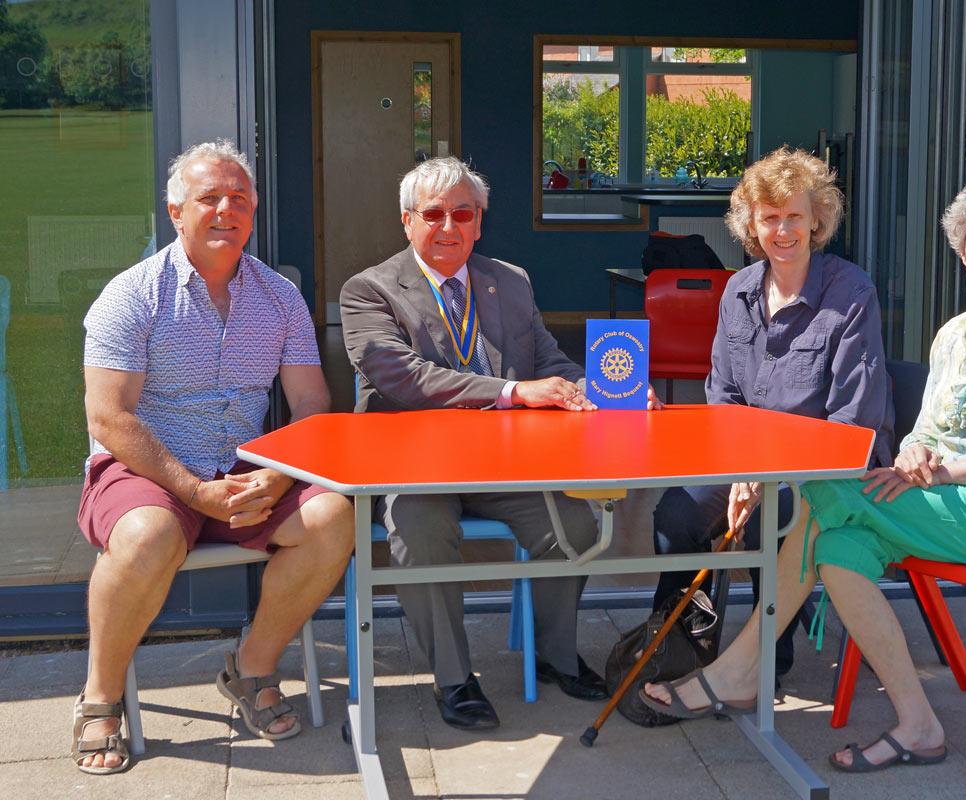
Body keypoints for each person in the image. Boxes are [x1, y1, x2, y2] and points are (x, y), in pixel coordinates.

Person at [641, 174, 966, 774]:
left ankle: (734, 673)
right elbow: (925, 432)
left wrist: (938, 472)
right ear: (962, 253)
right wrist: (913, 455)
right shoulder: (954, 335)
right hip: (950, 503)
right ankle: (919, 724)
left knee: (827, 492)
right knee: (837, 546)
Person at [340, 156, 658, 731]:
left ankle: (553, 653)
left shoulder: (509, 280)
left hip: (507, 467)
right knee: (420, 535)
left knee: (579, 526)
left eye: (462, 213)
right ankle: (455, 678)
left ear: (479, 222)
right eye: (432, 214)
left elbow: (550, 363)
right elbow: (403, 377)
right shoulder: (368, 290)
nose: (448, 226)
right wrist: (513, 390)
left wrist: (611, 389)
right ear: (407, 220)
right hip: (418, 470)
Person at [75, 140, 355, 774]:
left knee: (334, 515)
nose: (226, 210)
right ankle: (100, 696)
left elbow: (312, 405)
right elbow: (109, 417)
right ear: (176, 212)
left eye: (240, 199)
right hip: (149, 469)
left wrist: (280, 475)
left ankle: (250, 667)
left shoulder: (279, 296)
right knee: (147, 535)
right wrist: (190, 489)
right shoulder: (133, 295)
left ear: (253, 212)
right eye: (209, 199)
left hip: (243, 470)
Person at [650, 146, 893, 681]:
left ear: (817, 220)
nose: (782, 231)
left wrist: (767, 476)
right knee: (675, 515)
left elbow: (851, 421)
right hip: (748, 463)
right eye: (769, 219)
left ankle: (765, 655)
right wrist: (743, 471)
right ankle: (675, 641)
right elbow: (723, 397)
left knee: (770, 514)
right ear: (751, 225)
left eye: (794, 217)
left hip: (825, 471)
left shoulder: (851, 294)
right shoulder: (737, 291)